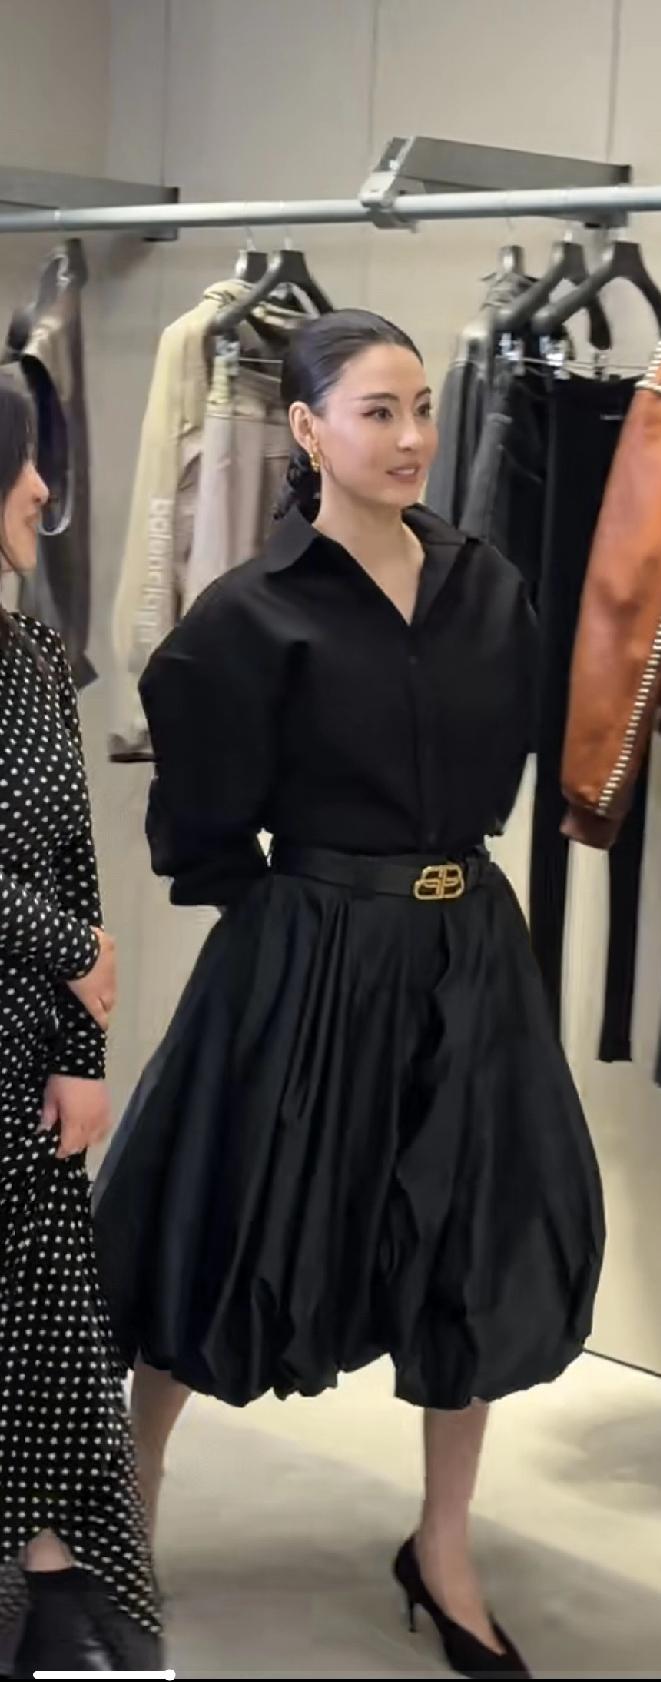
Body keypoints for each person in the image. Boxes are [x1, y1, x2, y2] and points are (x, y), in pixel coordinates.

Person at [93, 310, 604, 1679]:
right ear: (307, 430)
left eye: (421, 407)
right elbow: (199, 832)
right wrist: (304, 915)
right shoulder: (246, 615)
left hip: (468, 953)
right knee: (222, 1220)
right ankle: (131, 1495)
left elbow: (504, 765)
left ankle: (443, 1545)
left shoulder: (490, 586)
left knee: (473, 1237)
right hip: (307, 952)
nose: (413, 436)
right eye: (378, 411)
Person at [0, 371, 162, 1676]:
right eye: (21, 464)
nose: (44, 490)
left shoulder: (35, 658)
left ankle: (56, 1575)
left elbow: (73, 861)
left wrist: (86, 1051)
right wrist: (72, 952)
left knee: (53, 1326)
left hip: (29, 1054)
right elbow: (63, 923)